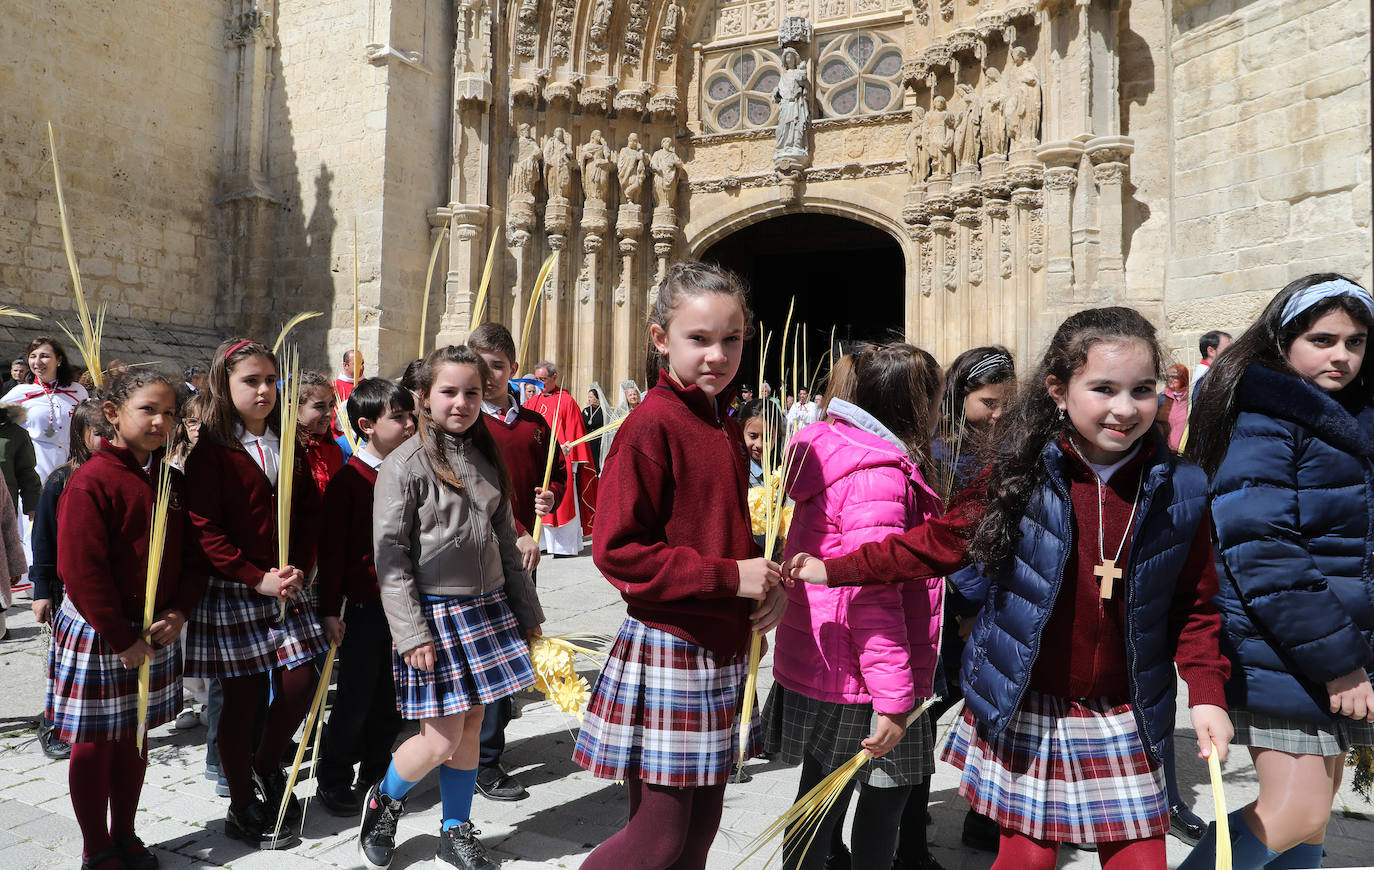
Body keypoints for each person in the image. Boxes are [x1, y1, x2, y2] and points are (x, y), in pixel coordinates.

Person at [785, 306, 1233, 868]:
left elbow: (1196, 605)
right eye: (1103, 388)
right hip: (1031, 700)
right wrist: (838, 568)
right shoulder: (1018, 475)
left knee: (1141, 858)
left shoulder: (1184, 487)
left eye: (1142, 390)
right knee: (1028, 859)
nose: (1124, 408)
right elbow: (935, 544)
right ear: (1058, 391)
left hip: (1126, 707)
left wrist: (1207, 692)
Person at [574, 261, 786, 870]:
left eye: (732, 339)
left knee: (698, 836)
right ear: (660, 338)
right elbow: (617, 550)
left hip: (719, 646)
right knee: (658, 839)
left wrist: (765, 592)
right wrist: (727, 578)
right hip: (672, 646)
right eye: (698, 338)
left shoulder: (721, 422)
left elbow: (722, 534)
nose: (717, 355)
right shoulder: (652, 424)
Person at [1180, 275, 1374, 870]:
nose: (1342, 355)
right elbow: (1263, 549)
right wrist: (1337, 665)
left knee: (1309, 823)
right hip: (1287, 650)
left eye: (1357, 340)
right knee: (1296, 812)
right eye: (1323, 339)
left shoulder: (1346, 414)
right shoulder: (1264, 415)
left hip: (1335, 645)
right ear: (1284, 341)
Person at [359, 345, 544, 870]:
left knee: (472, 725)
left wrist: (526, 613)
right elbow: (390, 559)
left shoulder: (486, 455)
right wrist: (411, 633)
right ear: (422, 396)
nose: (462, 402)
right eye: (449, 391)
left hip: (486, 611)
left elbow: (506, 541)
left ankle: (455, 828)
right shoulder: (404, 466)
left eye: (472, 392)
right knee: (439, 739)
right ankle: (385, 798)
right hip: (433, 617)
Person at [762, 343, 946, 870]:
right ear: (913, 404)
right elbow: (875, 591)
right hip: (866, 675)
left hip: (832, 661)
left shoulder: (834, 447)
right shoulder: (877, 474)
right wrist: (893, 701)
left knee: (818, 796)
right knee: (882, 798)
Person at [49, 371, 202, 870]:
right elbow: (81, 569)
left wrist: (178, 610)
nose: (161, 422)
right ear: (113, 415)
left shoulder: (169, 481)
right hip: (101, 632)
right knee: (95, 743)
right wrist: (119, 637)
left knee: (134, 738)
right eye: (148, 410)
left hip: (153, 629)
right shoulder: (90, 480)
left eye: (170, 413)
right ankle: (97, 846)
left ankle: (127, 832)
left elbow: (189, 556)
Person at [182, 338, 326, 849]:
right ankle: (242, 802)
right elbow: (204, 527)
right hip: (237, 586)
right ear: (225, 384)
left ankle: (267, 764)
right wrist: (253, 576)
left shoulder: (289, 443)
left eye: (271, 380)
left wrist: (300, 567)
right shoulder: (213, 453)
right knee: (240, 700)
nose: (264, 390)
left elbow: (308, 510)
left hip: (287, 584)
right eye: (251, 381)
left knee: (299, 682)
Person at [924, 345, 1016, 857]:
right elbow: (945, 539)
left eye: (1009, 402)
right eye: (989, 402)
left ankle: (985, 818)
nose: (1000, 414)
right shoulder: (940, 457)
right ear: (960, 400)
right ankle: (908, 818)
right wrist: (972, 605)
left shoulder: (1012, 451)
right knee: (930, 706)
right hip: (957, 604)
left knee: (993, 709)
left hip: (998, 602)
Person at [468, 322, 563, 802]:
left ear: (515, 370)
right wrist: (519, 532)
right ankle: (482, 761)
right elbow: (475, 494)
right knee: (494, 659)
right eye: (479, 367)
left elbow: (557, 474)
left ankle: (485, 751)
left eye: (497, 368)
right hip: (481, 555)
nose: (487, 378)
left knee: (513, 655)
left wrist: (550, 498)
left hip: (524, 560)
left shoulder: (536, 425)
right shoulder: (467, 426)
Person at [313, 378, 416, 816]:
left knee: (392, 699)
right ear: (366, 425)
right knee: (355, 697)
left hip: (405, 606)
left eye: (412, 415)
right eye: (399, 418)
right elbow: (333, 553)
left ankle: (376, 772)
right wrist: (329, 610)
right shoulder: (349, 482)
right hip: (364, 607)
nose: (411, 424)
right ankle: (333, 776)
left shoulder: (413, 471)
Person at [31, 401, 111, 759]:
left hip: (103, 590)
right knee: (63, 664)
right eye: (100, 434)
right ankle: (54, 724)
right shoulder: (62, 480)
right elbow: (43, 539)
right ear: (80, 435)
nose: (108, 439)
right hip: (66, 593)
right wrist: (41, 590)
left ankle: (99, 722)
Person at [526, 361, 595, 555]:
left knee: (562, 503)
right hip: (537, 463)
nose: (539, 384)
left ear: (554, 377)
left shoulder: (566, 401)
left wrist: (570, 454)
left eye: (543, 379)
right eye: (537, 380)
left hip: (561, 462)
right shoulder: (532, 403)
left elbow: (574, 431)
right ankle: (542, 544)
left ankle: (564, 547)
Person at [1, 336, 90, 484]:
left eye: (45, 356)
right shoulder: (21, 393)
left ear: (59, 360)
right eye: (33, 356)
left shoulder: (78, 392)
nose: (37, 362)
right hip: (34, 469)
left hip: (70, 468)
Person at [297, 371, 344, 498]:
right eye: (319, 406)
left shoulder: (335, 450)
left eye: (331, 405)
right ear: (294, 409)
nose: (329, 413)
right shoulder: (289, 451)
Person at [1156, 364, 1189, 452]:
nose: (1170, 380)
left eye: (1174, 377)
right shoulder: (1161, 398)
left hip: (1186, 452)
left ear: (1183, 377)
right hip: (1164, 451)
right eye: (1168, 377)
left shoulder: (1190, 398)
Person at [1191, 330, 1231, 402]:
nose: (1230, 354)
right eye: (1227, 350)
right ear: (1211, 351)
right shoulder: (1207, 376)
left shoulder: (1207, 372)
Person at [583, 387, 605, 470]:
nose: (589, 399)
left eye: (591, 397)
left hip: (598, 443)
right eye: (588, 397)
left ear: (597, 398)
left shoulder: (603, 411)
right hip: (587, 443)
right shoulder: (586, 410)